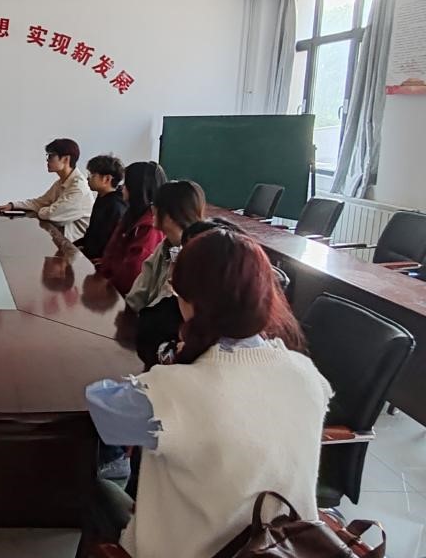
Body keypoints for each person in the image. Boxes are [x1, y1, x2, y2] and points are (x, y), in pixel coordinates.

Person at [81, 230, 331, 558]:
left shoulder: (174, 390)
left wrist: (171, 363)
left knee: (93, 487)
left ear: (189, 302)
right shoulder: (307, 374)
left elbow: (102, 411)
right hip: (287, 548)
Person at [126, 181, 206, 368]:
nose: (151, 209)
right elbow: (137, 295)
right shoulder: (166, 246)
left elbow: (162, 310)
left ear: (169, 215)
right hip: (145, 333)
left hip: (168, 348)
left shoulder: (195, 257)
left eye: (156, 205)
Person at [0, 138, 94, 242]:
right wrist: (12, 205)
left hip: (76, 247)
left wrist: (44, 209)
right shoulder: (61, 182)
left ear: (66, 159)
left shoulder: (78, 188)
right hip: (61, 240)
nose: (47, 160)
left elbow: (52, 215)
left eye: (51, 156)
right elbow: (40, 202)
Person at [96, 161, 167, 295]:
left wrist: (104, 285)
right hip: (110, 287)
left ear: (136, 188)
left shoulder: (150, 225)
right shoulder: (131, 215)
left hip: (124, 295)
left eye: (126, 184)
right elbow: (111, 252)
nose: (122, 187)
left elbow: (132, 273)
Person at [75, 154, 126, 261]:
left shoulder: (116, 206)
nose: (88, 178)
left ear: (107, 179)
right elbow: (92, 233)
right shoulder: (102, 197)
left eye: (92, 175)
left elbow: (106, 241)